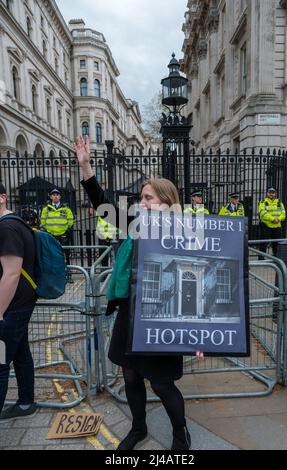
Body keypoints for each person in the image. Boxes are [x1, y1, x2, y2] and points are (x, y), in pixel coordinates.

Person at [75, 135, 191, 451]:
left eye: (149, 198)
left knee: (162, 383)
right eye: (142, 197)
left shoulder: (184, 234)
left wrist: (201, 333)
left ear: (168, 202)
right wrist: (86, 166)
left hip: (165, 318)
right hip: (131, 313)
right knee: (130, 377)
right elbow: (102, 205)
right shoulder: (136, 225)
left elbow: (199, 284)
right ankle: (138, 429)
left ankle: (181, 435)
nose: (142, 203)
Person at [0, 183, 38, 420]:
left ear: (2, 197)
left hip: (10, 307)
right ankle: (25, 404)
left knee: (0, 363)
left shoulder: (8, 228)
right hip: (17, 305)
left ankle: (26, 403)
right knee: (20, 353)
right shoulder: (14, 224)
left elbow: (12, 273)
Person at [40, 189, 74, 268]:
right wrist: (47, 230)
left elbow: (70, 220)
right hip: (51, 235)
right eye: (54, 195)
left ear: (60, 197)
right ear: (51, 197)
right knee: (50, 253)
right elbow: (43, 220)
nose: (55, 196)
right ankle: (53, 273)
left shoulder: (66, 208)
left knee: (66, 254)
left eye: (57, 195)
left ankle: (67, 272)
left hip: (63, 235)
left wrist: (67, 231)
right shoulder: (46, 208)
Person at [258, 187, 286, 257]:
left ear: (275, 194)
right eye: (269, 192)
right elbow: (262, 213)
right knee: (263, 243)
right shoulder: (263, 202)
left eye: (273, 192)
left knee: (276, 244)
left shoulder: (279, 202)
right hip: (266, 226)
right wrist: (272, 219)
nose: (271, 194)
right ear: (267, 193)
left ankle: (276, 258)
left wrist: (278, 219)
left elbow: (283, 213)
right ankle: (261, 258)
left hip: (277, 226)